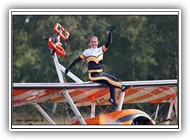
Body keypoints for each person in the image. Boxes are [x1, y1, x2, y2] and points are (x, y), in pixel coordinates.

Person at [65, 25, 129, 110]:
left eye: (95, 42)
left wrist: (110, 33)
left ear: (98, 42)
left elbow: (108, 43)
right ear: (89, 44)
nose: (94, 43)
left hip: (100, 73)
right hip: (93, 75)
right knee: (107, 80)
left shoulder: (100, 50)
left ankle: (112, 98)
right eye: (92, 42)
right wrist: (68, 68)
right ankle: (121, 87)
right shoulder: (87, 52)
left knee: (112, 78)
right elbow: (77, 60)